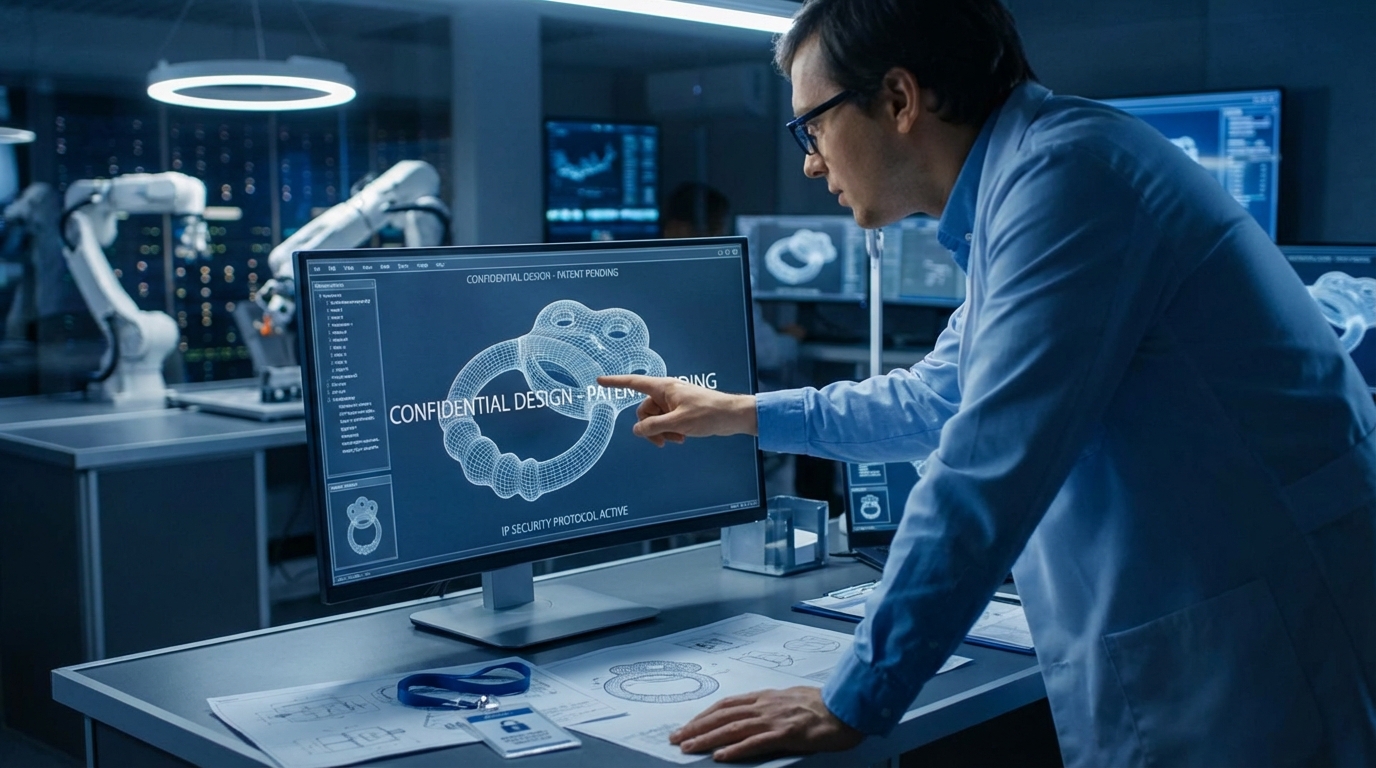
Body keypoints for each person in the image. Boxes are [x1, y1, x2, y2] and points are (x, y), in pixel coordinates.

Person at [598, 0, 1376, 765]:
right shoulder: (1035, 180)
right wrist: (741, 412)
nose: (809, 159)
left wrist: (855, 695)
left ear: (899, 99)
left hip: (1250, 644)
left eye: (814, 124)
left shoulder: (1070, 180)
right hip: (1208, 617)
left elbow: (985, 465)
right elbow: (940, 397)